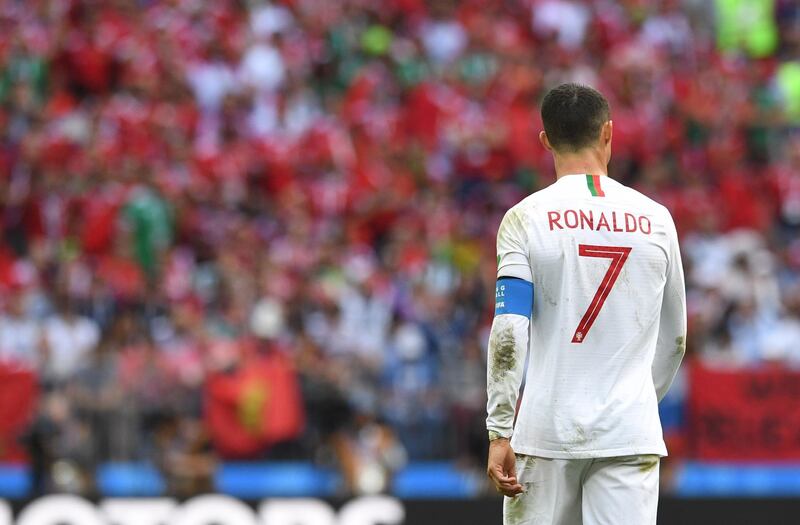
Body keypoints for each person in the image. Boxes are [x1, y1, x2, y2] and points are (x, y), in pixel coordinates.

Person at [485, 83, 686, 525]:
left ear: (546, 140)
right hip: (630, 431)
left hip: (545, 431)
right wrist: (631, 401)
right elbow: (675, 339)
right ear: (608, 134)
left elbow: (509, 329)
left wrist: (500, 428)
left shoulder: (525, 218)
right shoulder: (656, 219)